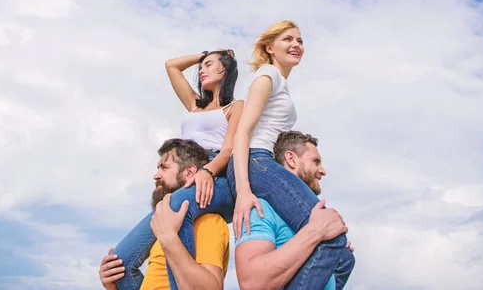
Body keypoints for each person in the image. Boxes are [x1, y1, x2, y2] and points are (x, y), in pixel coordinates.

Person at [228, 20, 355, 290]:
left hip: (262, 163)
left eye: (299, 40)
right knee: (329, 230)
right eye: (288, 39)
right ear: (270, 47)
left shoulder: (279, 82)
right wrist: (243, 191)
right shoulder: (268, 75)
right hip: (257, 161)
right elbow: (243, 133)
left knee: (343, 257)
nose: (296, 45)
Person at [112, 50, 243, 290]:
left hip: (218, 176)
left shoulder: (236, 106)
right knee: (118, 265)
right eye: (201, 66)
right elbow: (171, 66)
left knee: (174, 206)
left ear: (226, 70)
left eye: (210, 65)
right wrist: (205, 53)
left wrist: (208, 172)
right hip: (191, 171)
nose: (202, 70)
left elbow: (228, 150)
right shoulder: (195, 105)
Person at [99, 138, 230, 290]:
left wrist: (169, 238)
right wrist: (115, 285)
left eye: (164, 168)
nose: (156, 175)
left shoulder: (208, 222)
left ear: (190, 172)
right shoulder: (161, 226)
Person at [235, 131, 355, 290]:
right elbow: (252, 283)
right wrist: (315, 232)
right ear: (291, 159)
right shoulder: (261, 208)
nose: (322, 171)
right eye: (316, 161)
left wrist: (334, 261)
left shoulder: (310, 215)